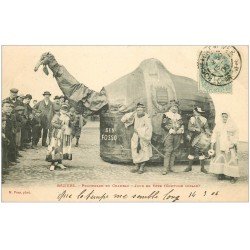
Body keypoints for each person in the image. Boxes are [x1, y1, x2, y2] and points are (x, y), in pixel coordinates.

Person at [121, 103, 153, 174]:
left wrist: (142, 133)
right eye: (138, 110)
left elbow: (149, 128)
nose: (139, 111)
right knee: (134, 149)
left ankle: (142, 167)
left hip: (143, 137)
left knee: (144, 151)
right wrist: (131, 114)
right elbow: (124, 119)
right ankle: (136, 166)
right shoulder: (135, 115)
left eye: (140, 110)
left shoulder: (147, 117)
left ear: (143, 110)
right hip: (135, 136)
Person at [209, 112, 239, 183]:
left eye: (226, 117)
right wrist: (213, 142)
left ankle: (232, 176)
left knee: (230, 159)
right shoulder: (219, 124)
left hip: (229, 144)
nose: (224, 118)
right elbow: (214, 133)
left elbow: (236, 134)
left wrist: (233, 142)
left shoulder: (232, 125)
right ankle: (221, 173)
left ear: (228, 117)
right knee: (220, 158)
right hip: (220, 144)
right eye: (223, 117)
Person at [184, 107, 211, 173]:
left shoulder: (204, 119)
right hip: (193, 136)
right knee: (191, 151)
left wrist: (208, 132)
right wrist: (196, 129)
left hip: (201, 136)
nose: (198, 113)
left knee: (201, 151)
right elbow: (189, 127)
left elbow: (207, 127)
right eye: (197, 112)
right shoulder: (192, 119)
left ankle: (202, 168)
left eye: (199, 112)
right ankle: (189, 167)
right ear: (194, 112)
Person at [46, 104, 72, 171]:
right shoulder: (57, 115)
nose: (64, 110)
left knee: (62, 148)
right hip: (57, 133)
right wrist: (60, 127)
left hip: (65, 134)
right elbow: (53, 123)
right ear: (60, 109)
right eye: (63, 109)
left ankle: (60, 162)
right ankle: (52, 163)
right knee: (55, 147)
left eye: (66, 109)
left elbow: (70, 124)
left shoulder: (68, 116)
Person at [161, 103, 184, 175]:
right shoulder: (166, 114)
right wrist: (169, 130)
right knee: (168, 151)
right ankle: (165, 169)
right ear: (170, 107)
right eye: (173, 107)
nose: (174, 108)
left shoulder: (179, 116)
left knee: (174, 150)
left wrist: (181, 129)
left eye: (176, 107)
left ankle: (171, 167)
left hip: (177, 134)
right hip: (169, 134)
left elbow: (182, 124)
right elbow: (163, 124)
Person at [2, 101, 19, 165]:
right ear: (2, 107)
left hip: (8, 133)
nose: (8, 108)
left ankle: (7, 162)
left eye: (9, 106)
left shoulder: (7, 115)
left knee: (8, 147)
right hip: (4, 133)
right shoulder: (2, 115)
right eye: (6, 106)